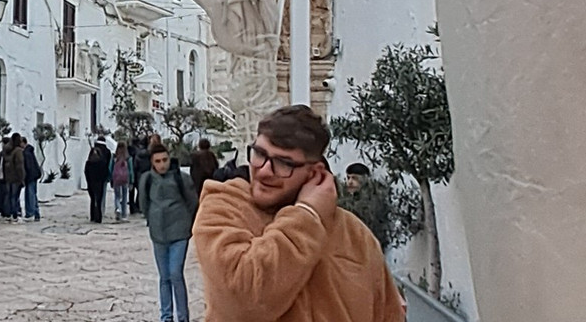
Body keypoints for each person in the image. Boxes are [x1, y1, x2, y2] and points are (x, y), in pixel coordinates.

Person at [193, 105, 405, 321]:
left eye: (284, 163)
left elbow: (388, 313)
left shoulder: (356, 235)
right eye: (259, 153)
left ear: (315, 173)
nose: (264, 170)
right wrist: (306, 214)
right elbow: (244, 301)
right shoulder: (223, 208)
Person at [140, 142, 197, 322]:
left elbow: (192, 202)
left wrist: (186, 222)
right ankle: (166, 316)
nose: (162, 164)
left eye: (164, 160)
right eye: (158, 161)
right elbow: (144, 203)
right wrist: (152, 217)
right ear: (152, 162)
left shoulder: (182, 178)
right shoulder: (147, 179)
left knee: (175, 273)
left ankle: (183, 316)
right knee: (164, 276)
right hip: (158, 233)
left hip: (179, 232)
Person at [338, 162, 391, 250]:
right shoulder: (345, 199)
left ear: (365, 179)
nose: (350, 182)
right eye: (348, 178)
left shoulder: (374, 199)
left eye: (355, 178)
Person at [84, 135, 111, 223]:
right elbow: (106, 170)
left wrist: (88, 181)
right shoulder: (105, 157)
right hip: (100, 181)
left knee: (92, 199)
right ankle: (99, 216)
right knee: (99, 199)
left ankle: (92, 216)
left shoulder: (89, 163)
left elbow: (86, 173)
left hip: (91, 182)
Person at [3, 132, 26, 222]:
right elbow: (19, 166)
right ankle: (14, 215)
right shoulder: (18, 151)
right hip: (16, 177)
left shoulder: (7, 150)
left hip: (8, 176)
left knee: (8, 195)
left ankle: (7, 214)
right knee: (14, 196)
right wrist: (22, 178)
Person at [109, 141, 134, 221]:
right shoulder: (128, 158)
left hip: (116, 179)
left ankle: (118, 208)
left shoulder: (114, 157)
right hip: (125, 179)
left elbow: (110, 168)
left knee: (117, 196)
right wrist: (131, 181)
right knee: (124, 196)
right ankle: (124, 214)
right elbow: (130, 171)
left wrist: (111, 178)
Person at [22, 136, 43, 222]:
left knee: (30, 195)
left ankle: (30, 213)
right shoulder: (30, 151)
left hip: (30, 176)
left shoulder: (26, 153)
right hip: (34, 175)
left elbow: (28, 166)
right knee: (33, 194)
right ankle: (36, 213)